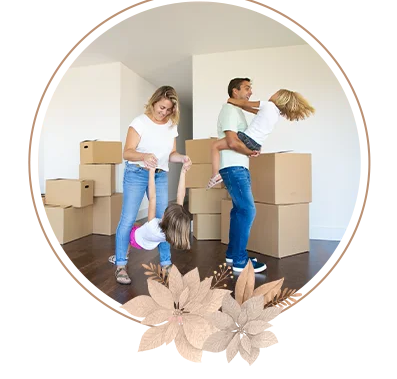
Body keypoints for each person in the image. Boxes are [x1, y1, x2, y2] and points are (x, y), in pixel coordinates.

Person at [111, 86, 192, 285]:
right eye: (161, 107)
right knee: (128, 218)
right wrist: (144, 156)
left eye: (168, 109)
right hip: (136, 173)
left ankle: (166, 263)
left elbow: (171, 154)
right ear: (154, 102)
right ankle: (121, 263)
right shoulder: (139, 123)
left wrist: (182, 158)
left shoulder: (171, 126)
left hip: (160, 175)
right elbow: (127, 152)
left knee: (164, 220)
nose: (164, 112)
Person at [207, 89, 315, 189]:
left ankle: (215, 174)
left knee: (215, 146)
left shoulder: (268, 105)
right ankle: (247, 155)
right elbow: (247, 108)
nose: (272, 95)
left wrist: (231, 100)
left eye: (275, 93)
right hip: (256, 145)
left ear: (279, 98)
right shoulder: (275, 113)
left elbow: (245, 104)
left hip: (247, 139)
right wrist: (237, 104)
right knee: (224, 146)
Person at [213, 77, 267, 273]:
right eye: (246, 88)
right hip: (233, 166)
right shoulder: (229, 110)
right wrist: (250, 152)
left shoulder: (236, 111)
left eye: (250, 88)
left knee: (238, 211)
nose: (250, 91)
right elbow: (232, 142)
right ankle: (240, 262)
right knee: (247, 210)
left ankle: (233, 254)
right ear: (234, 92)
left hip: (238, 166)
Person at [113, 164, 191, 284]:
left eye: (165, 212)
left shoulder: (153, 225)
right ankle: (166, 264)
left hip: (136, 240)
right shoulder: (171, 232)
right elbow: (181, 195)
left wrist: (151, 172)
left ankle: (122, 257)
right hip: (150, 242)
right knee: (138, 225)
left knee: (129, 227)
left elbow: (153, 198)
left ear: (165, 217)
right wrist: (183, 172)